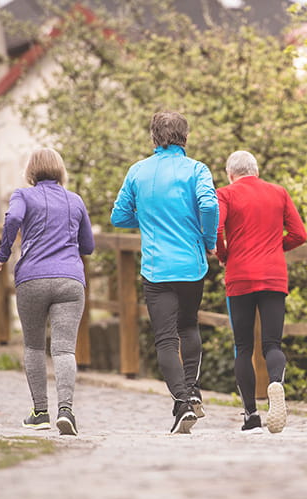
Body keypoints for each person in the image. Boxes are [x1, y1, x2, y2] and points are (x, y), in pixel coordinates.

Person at [110, 111, 218, 434]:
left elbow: (118, 216)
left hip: (156, 269)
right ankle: (191, 389)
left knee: (165, 339)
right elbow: (210, 206)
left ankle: (182, 403)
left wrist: (147, 221)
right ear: (185, 137)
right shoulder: (197, 169)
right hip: (191, 265)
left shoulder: (138, 172)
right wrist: (208, 239)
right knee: (189, 326)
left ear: (153, 138)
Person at [0, 147, 95, 436]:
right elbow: (88, 246)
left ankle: (40, 413)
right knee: (64, 349)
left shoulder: (23, 196)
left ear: (30, 172)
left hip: (32, 279)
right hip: (70, 280)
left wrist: (2, 256)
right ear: (61, 171)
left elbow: (12, 220)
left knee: (34, 346)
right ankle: (66, 411)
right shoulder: (75, 201)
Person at [215, 150, 307, 434]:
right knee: (272, 344)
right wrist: (275, 248)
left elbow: (216, 231)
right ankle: (276, 384)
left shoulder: (225, 194)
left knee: (243, 347)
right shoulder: (278, 193)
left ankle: (251, 414)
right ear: (255, 170)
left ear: (231, 174)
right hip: (273, 276)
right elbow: (299, 234)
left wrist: (224, 254)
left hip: (240, 276)